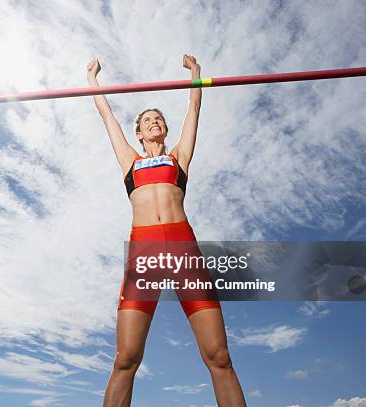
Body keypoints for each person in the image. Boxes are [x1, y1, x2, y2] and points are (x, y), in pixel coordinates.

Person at [86, 55, 247, 407]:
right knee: (125, 359)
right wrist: (92, 79)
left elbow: (194, 108)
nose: (154, 122)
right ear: (139, 133)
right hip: (144, 255)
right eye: (147, 120)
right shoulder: (131, 161)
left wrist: (196, 74)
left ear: (165, 129)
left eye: (159, 119)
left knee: (219, 356)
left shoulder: (179, 159)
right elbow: (106, 116)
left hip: (183, 249)